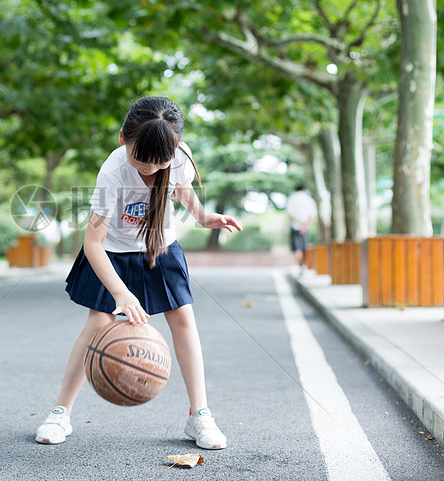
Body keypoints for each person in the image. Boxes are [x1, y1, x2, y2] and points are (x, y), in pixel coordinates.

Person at [35, 97, 242, 449]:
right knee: (98, 323)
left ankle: (200, 414)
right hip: (112, 252)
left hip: (159, 247)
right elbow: (93, 245)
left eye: (159, 161)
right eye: (140, 160)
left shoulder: (179, 158)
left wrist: (203, 217)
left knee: (183, 318)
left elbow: (182, 189)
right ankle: (60, 412)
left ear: (174, 149)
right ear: (122, 139)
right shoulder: (112, 173)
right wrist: (120, 293)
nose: (149, 169)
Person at [286, 184, 317, 275]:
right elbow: (312, 215)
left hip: (295, 227)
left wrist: (299, 223)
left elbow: (291, 215)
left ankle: (300, 267)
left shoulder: (292, 199)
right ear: (304, 189)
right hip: (305, 228)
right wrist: (305, 225)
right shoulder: (309, 199)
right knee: (304, 248)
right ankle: (304, 266)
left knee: (297, 249)